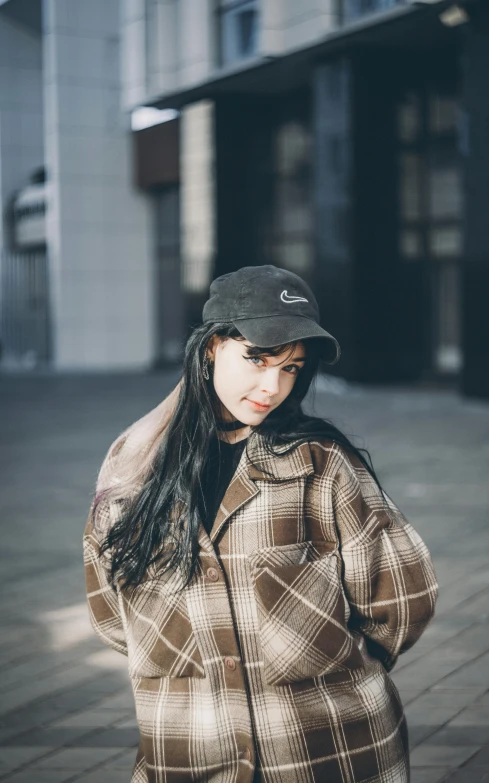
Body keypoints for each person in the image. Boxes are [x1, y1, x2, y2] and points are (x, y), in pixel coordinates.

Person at [83, 264, 438, 783]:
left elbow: (401, 601)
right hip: (191, 752)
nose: (272, 385)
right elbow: (113, 613)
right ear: (210, 348)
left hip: (328, 751)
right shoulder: (134, 467)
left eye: (292, 367)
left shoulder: (320, 465)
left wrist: (324, 666)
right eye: (257, 357)